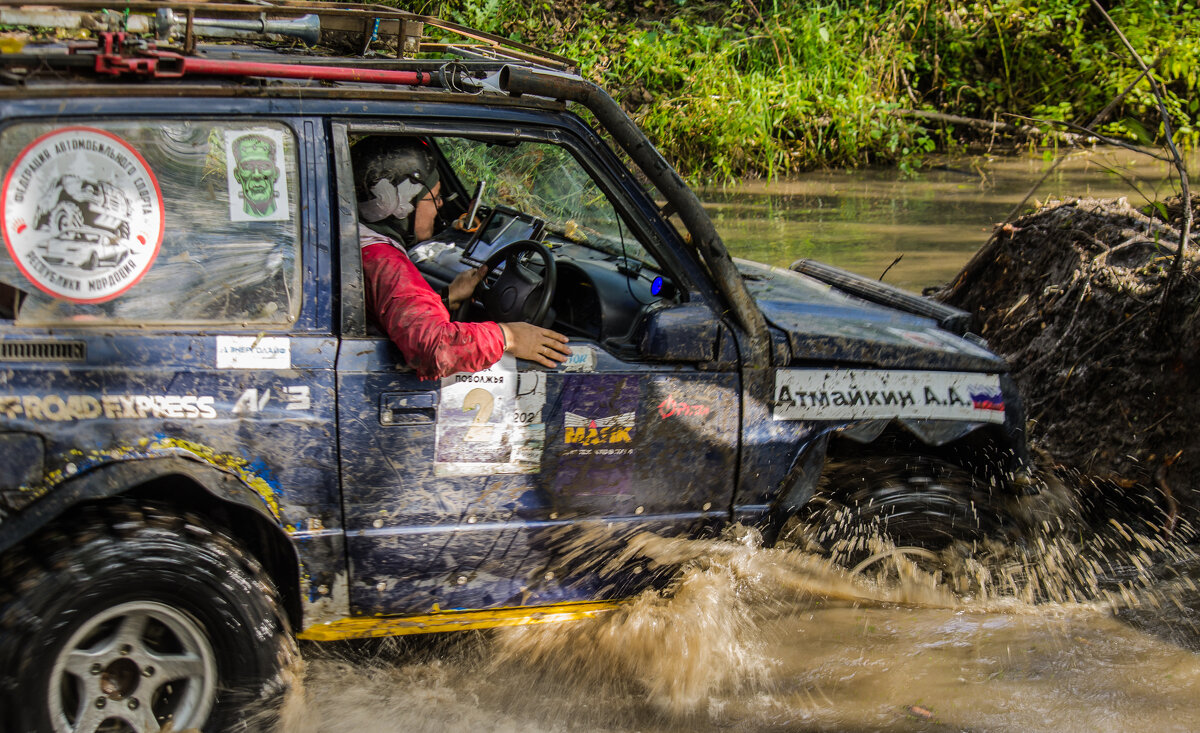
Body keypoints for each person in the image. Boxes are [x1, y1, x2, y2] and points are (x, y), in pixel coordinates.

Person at [352, 136, 571, 379]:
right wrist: (509, 336)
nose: (438, 207)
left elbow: (395, 315)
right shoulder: (385, 261)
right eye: (433, 198)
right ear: (396, 205)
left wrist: (447, 297)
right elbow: (435, 348)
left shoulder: (358, 242)